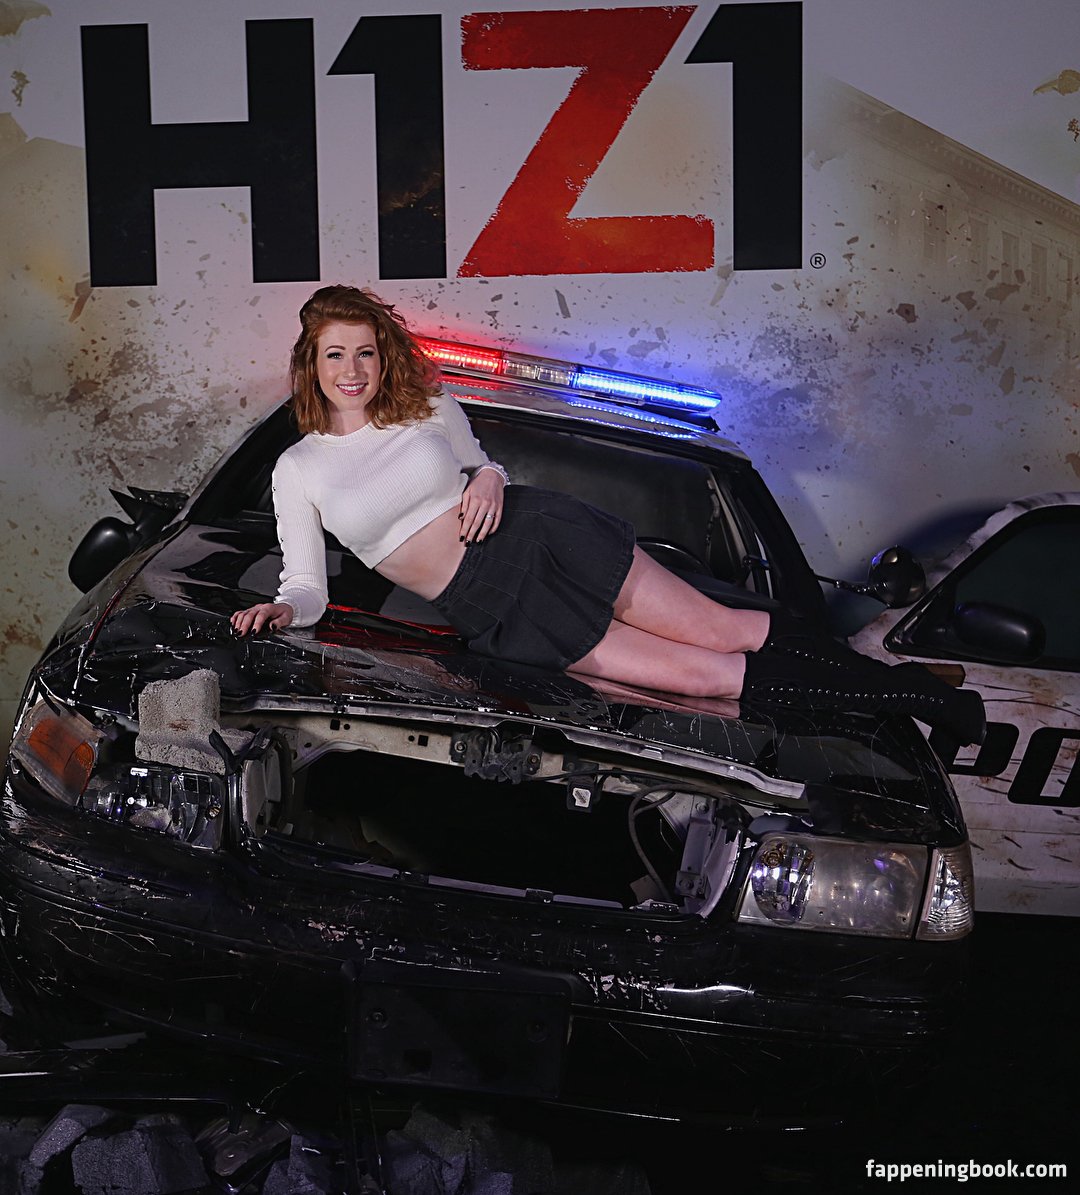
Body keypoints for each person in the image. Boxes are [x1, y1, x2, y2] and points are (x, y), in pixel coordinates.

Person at [232, 285, 986, 746]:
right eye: (336, 355)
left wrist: (489, 478)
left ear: (383, 356)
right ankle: (917, 697)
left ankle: (928, 700)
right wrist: (282, 609)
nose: (353, 371)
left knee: (728, 629)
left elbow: (481, 465)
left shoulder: (429, 405)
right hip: (498, 606)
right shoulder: (299, 467)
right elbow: (307, 585)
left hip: (543, 535)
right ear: (312, 364)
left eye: (365, 352)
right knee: (709, 678)